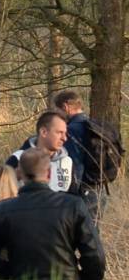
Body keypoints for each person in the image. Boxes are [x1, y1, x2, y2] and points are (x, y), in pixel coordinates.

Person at [0, 146, 106, 280]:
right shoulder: (72, 206)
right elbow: (95, 256)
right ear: (49, 173)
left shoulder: (1, 211)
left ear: (20, 174)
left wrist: (11, 273)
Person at [51, 88, 122, 218]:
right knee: (92, 234)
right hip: (101, 189)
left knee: (81, 234)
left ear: (66, 107)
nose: (57, 115)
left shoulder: (72, 130)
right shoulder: (96, 127)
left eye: (58, 110)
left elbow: (74, 165)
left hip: (84, 193)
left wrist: (69, 195)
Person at [4, 110, 78, 194]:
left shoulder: (67, 161)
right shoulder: (18, 158)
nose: (64, 138)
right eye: (60, 132)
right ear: (43, 132)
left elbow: (73, 196)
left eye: (65, 133)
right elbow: (1, 192)